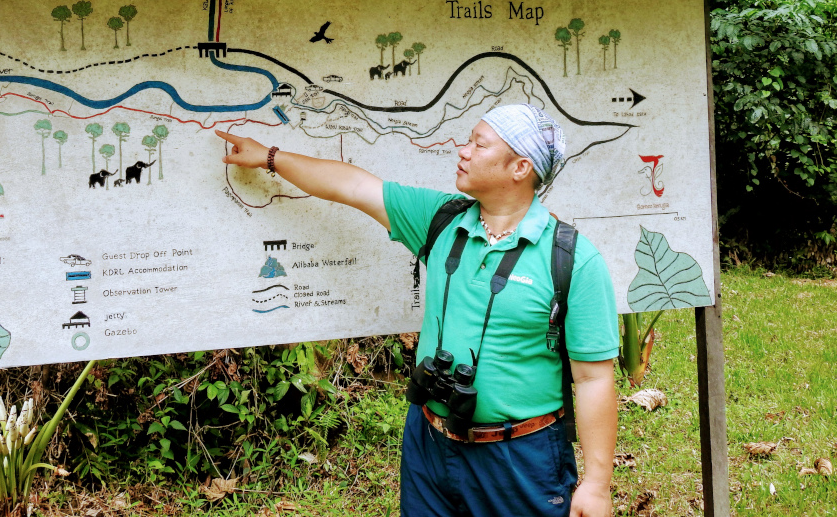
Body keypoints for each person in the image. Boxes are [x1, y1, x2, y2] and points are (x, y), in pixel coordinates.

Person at [216, 104, 618, 517]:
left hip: (519, 459)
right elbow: (352, 186)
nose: (462, 150)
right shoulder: (442, 221)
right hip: (429, 441)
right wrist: (269, 157)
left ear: (520, 167)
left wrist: (597, 485)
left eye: (479, 144)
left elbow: (592, 378)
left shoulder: (571, 259)